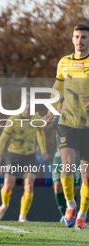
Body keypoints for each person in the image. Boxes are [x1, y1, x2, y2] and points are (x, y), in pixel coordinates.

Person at [43, 23, 89, 230]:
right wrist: (51, 109)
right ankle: (71, 205)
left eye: (84, 37)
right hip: (67, 124)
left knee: (86, 176)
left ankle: (82, 214)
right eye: (77, 37)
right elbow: (57, 87)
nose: (80, 41)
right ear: (72, 39)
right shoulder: (63, 63)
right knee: (67, 165)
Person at [0, 96, 48, 222]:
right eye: (26, 105)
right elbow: (3, 138)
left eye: (31, 106)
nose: (28, 108)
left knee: (29, 185)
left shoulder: (37, 119)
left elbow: (40, 134)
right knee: (7, 187)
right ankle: (4, 204)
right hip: (13, 155)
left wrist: (44, 151)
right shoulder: (13, 119)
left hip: (29, 156)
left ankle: (22, 216)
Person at [44, 99, 81, 223]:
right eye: (60, 106)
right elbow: (49, 125)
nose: (61, 108)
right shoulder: (57, 119)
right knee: (57, 185)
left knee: (75, 187)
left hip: (74, 157)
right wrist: (44, 122)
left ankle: (72, 213)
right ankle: (64, 214)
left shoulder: (76, 118)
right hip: (58, 157)